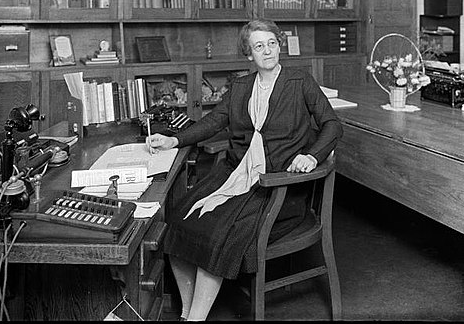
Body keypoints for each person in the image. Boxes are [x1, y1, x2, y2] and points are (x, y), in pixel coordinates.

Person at [146, 19, 342, 321]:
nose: (267, 51)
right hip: (238, 176)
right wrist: (174, 139)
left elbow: (332, 125)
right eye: (259, 46)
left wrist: (312, 157)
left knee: (216, 232)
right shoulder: (241, 87)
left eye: (272, 43)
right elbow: (213, 123)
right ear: (249, 54)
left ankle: (196, 319)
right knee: (177, 220)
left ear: (280, 45)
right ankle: (187, 313)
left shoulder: (299, 81)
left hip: (278, 188)